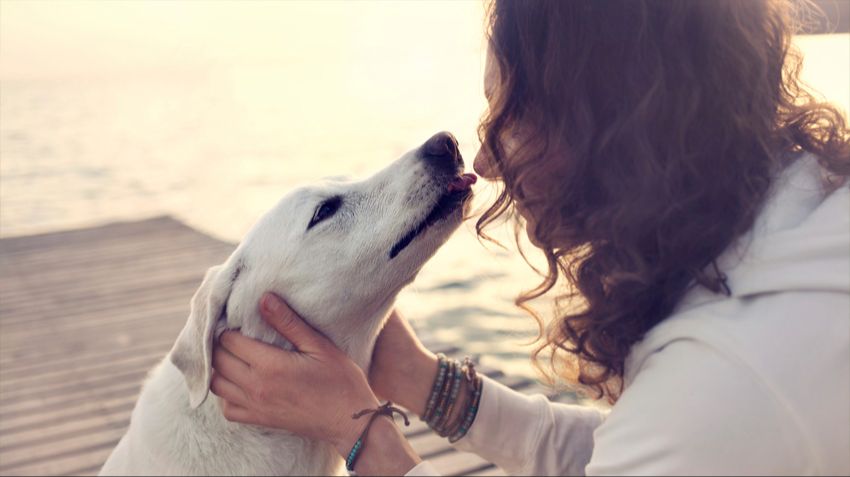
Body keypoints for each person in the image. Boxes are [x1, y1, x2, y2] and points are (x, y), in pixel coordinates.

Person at [209, 0, 850, 475]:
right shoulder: (804, 217)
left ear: (607, 123)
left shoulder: (730, 378)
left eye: (506, 113)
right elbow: (623, 449)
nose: (484, 159)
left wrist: (358, 433)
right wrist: (418, 379)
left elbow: (681, 432)